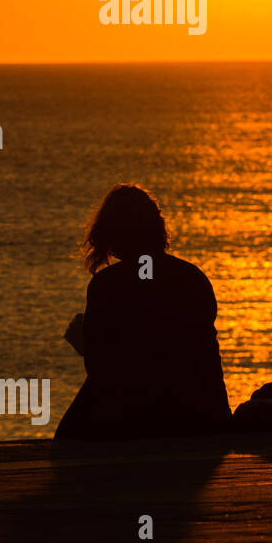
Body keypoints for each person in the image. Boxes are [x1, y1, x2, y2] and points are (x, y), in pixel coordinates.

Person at [56, 184, 231, 440]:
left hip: (142, 418)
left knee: (67, 437)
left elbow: (107, 370)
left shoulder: (108, 284)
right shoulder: (193, 277)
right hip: (205, 414)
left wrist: (85, 344)